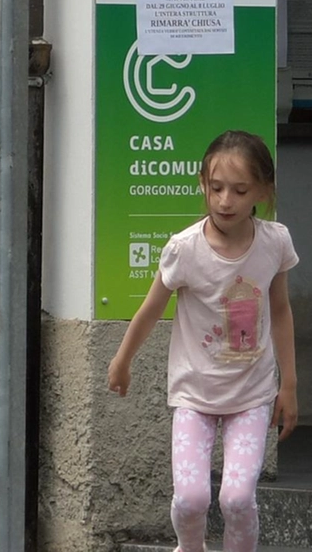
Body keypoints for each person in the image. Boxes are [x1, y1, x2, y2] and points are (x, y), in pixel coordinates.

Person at [107, 130, 300, 552]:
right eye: (215, 188)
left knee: (237, 499)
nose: (225, 200)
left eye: (239, 190)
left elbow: (281, 310)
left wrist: (289, 385)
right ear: (202, 185)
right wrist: (123, 359)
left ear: (263, 192)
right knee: (192, 499)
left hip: (251, 395)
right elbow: (152, 308)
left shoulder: (274, 242)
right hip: (194, 394)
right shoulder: (185, 249)